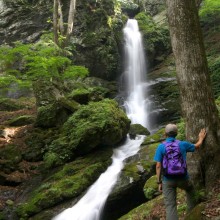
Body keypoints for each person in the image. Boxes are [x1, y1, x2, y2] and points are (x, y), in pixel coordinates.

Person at [154, 123, 206, 220]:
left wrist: (159, 182)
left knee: (170, 206)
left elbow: (158, 166)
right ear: (176, 133)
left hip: (167, 180)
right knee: (190, 190)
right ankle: (190, 214)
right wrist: (201, 138)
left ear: (165, 134)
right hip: (183, 178)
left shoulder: (161, 147)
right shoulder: (182, 144)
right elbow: (197, 146)